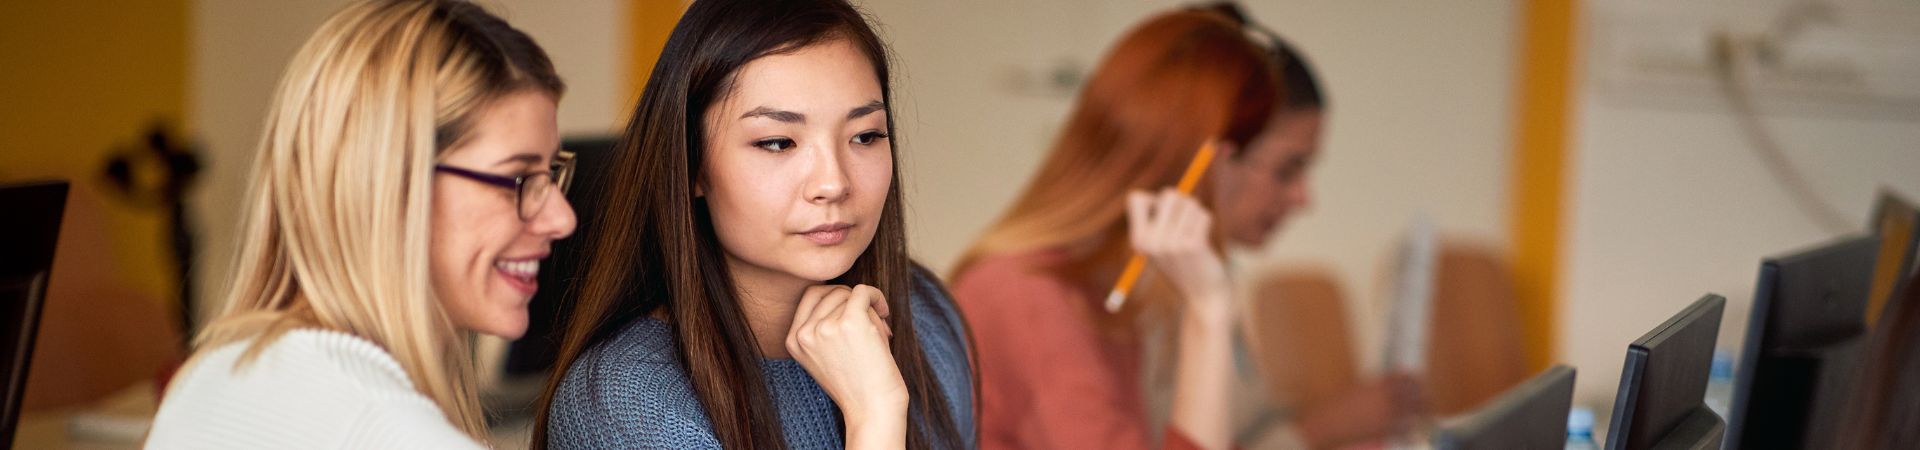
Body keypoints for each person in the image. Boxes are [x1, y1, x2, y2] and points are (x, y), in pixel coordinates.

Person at [951, 5, 1418, 450]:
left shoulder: (1110, 289)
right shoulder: (1030, 295)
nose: (1303, 198)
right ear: (1200, 164)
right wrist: (1209, 311)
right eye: (1285, 169)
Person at [535, 0, 972, 448]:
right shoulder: (623, 401)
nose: (833, 183)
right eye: (778, 142)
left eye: (865, 136)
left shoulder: (923, 314)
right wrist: (875, 414)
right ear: (691, 166)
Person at [145, 0, 575, 447]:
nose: (562, 218)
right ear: (388, 186)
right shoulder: (393, 433)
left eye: (553, 173)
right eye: (518, 178)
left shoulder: (209, 379)